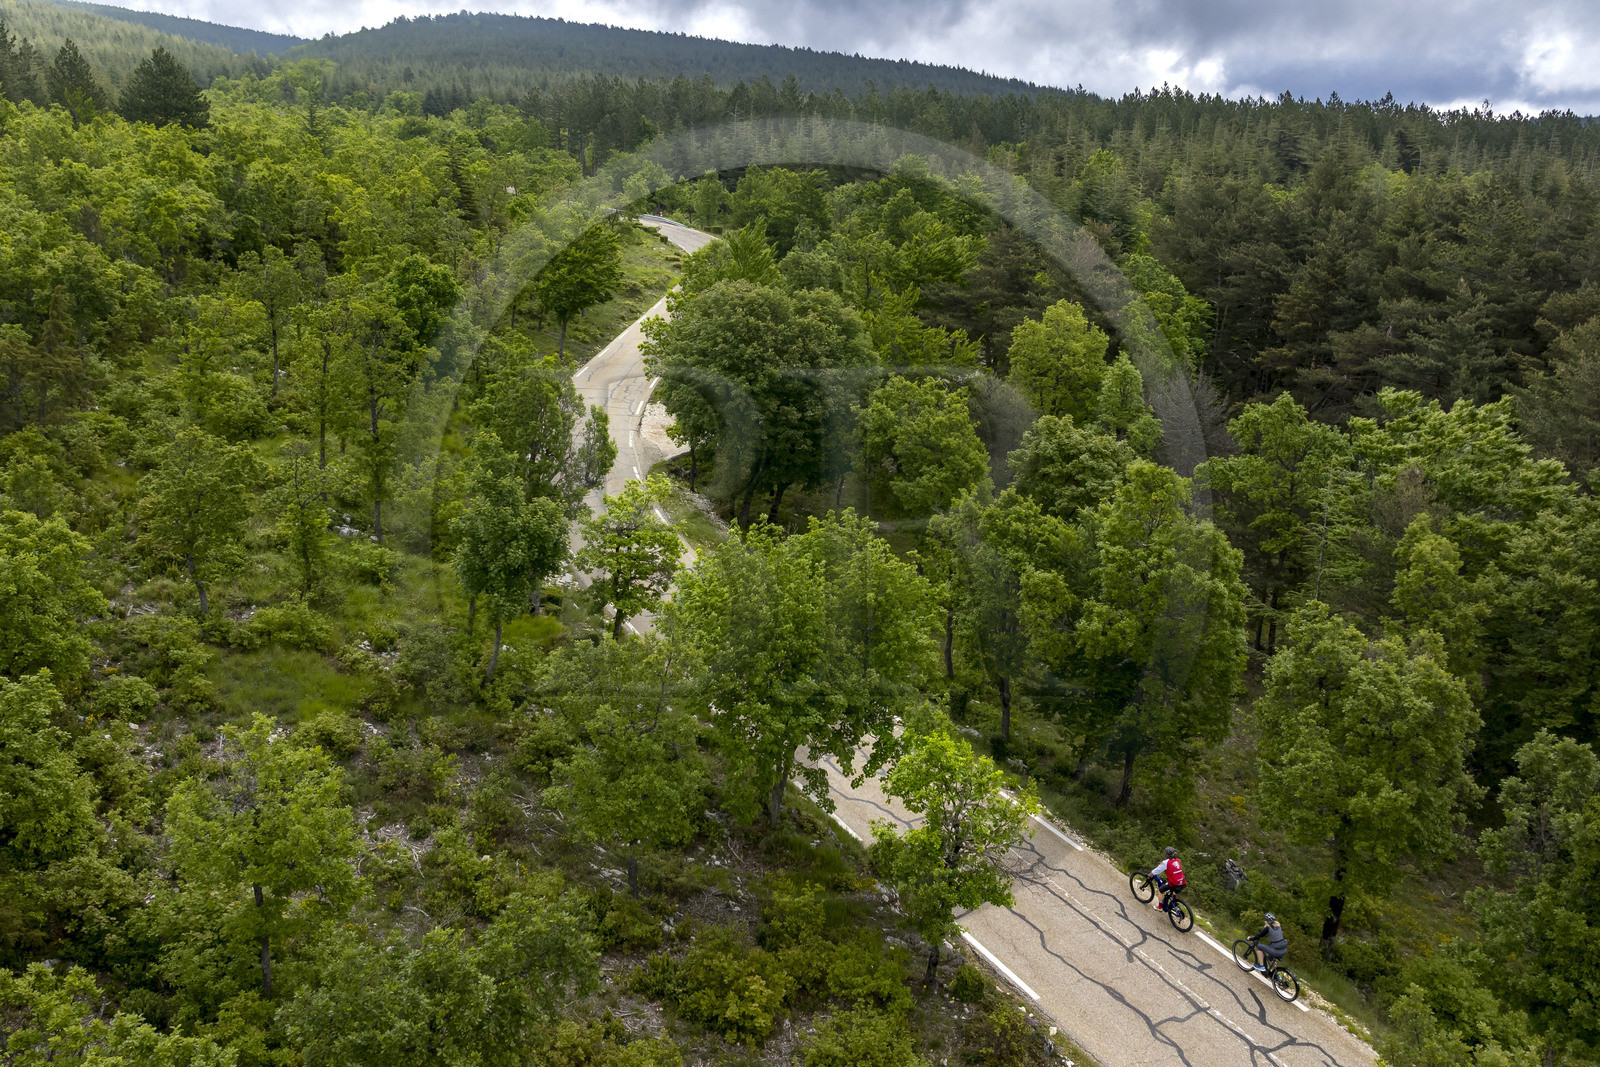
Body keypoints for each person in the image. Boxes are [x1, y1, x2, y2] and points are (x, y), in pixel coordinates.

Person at [1149, 846, 1185, 911]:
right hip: (1182, 882)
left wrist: (1149, 875)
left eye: (1165, 853)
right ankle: (1174, 902)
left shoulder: (1166, 862)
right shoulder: (1177, 860)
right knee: (1171, 889)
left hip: (1174, 883)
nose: (1164, 853)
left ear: (1168, 855)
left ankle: (1160, 907)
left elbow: (1156, 871)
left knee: (1160, 890)